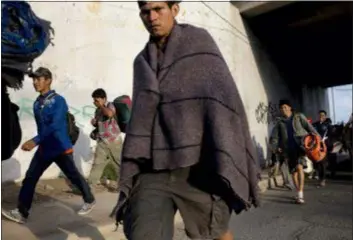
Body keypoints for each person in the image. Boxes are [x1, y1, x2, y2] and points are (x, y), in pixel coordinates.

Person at [111, 2, 260, 240]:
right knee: (142, 233)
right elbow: (143, 116)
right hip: (153, 166)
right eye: (145, 11)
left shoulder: (199, 44)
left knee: (215, 232)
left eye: (158, 9)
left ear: (175, 9)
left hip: (196, 166)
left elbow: (221, 101)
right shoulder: (142, 62)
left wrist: (221, 151)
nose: (152, 17)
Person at [2, 67, 96, 224]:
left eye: (39, 79)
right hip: (45, 149)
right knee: (30, 177)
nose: (35, 82)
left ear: (48, 80)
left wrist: (35, 140)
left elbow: (55, 125)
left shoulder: (59, 101)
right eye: (34, 79)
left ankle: (89, 199)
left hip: (60, 147)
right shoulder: (37, 103)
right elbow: (43, 128)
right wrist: (39, 142)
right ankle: (22, 212)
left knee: (73, 176)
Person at [270, 99, 318, 204]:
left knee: (299, 167)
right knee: (293, 172)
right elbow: (274, 137)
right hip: (288, 150)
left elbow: (309, 128)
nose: (283, 109)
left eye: (285, 107)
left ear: (290, 107)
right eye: (281, 108)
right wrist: (275, 147)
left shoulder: (299, 117)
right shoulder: (279, 122)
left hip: (299, 147)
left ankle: (300, 194)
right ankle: (298, 192)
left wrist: (317, 139)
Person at [88, 88, 122, 188]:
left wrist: (102, 106)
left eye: (97, 100)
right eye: (94, 100)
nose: (95, 102)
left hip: (114, 140)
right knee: (97, 164)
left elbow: (110, 114)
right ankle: (89, 188)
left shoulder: (110, 105)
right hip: (102, 141)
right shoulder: (97, 110)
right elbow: (100, 123)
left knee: (118, 164)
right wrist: (94, 123)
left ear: (104, 99)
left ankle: (125, 186)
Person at [312, 110, 332, 187]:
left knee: (322, 163)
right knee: (317, 162)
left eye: (323, 115)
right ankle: (319, 176)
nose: (321, 117)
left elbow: (331, 135)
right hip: (315, 146)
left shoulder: (328, 125)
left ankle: (322, 180)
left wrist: (326, 140)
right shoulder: (315, 124)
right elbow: (310, 132)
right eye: (320, 115)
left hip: (324, 146)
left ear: (325, 116)